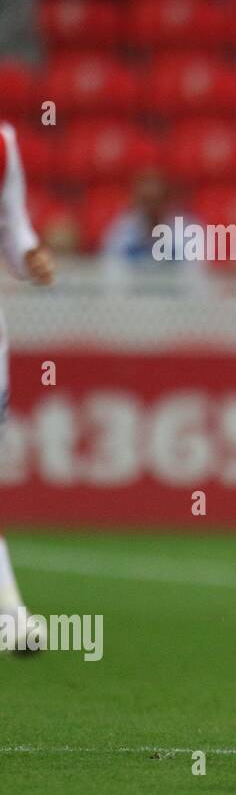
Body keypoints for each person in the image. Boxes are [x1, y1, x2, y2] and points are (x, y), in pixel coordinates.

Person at [0, 120, 54, 653]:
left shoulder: (3, 143)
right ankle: (13, 615)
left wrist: (29, 257)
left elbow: (13, 231)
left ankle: (12, 614)